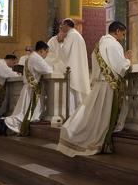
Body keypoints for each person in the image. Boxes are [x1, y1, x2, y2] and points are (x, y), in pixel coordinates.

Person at [57, 21, 132, 157]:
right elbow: (121, 67)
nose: (124, 37)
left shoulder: (100, 43)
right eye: (123, 33)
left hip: (100, 84)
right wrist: (127, 59)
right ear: (117, 31)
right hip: (109, 87)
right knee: (102, 118)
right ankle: (95, 141)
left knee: (93, 115)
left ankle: (74, 132)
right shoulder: (114, 44)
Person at [0, 41, 53, 136]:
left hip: (28, 89)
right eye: (46, 52)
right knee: (24, 114)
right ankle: (5, 123)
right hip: (31, 90)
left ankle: (5, 121)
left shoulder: (31, 57)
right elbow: (48, 70)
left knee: (23, 112)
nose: (47, 54)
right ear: (42, 50)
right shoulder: (36, 58)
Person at [46, 18, 91, 114]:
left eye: (62, 25)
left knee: (71, 92)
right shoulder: (78, 36)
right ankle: (77, 113)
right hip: (77, 68)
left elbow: (64, 53)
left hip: (71, 69)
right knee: (76, 94)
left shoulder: (71, 36)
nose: (60, 27)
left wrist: (59, 44)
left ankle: (71, 114)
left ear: (66, 25)